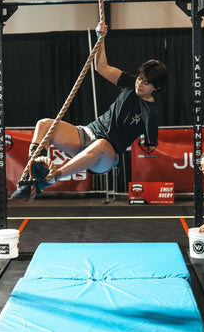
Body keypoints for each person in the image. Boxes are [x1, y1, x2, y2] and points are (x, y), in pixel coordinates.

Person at [11, 22, 169, 201]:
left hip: (107, 154)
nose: (139, 84)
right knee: (44, 124)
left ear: (156, 88)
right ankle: (31, 177)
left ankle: (48, 180)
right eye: (140, 78)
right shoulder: (129, 83)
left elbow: (150, 145)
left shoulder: (150, 114)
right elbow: (101, 67)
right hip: (88, 134)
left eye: (146, 83)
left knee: (101, 144)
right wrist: (101, 38)